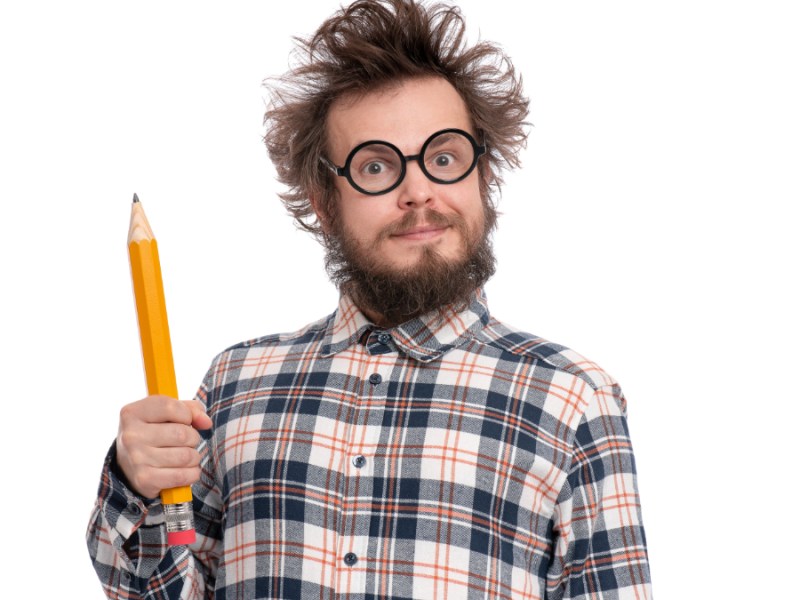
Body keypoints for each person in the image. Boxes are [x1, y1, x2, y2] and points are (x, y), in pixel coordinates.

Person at [87, 0, 652, 598]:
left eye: (443, 157)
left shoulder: (572, 399)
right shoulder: (235, 384)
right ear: (324, 203)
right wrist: (136, 482)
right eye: (376, 166)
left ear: (483, 177)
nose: (418, 191)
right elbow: (149, 590)